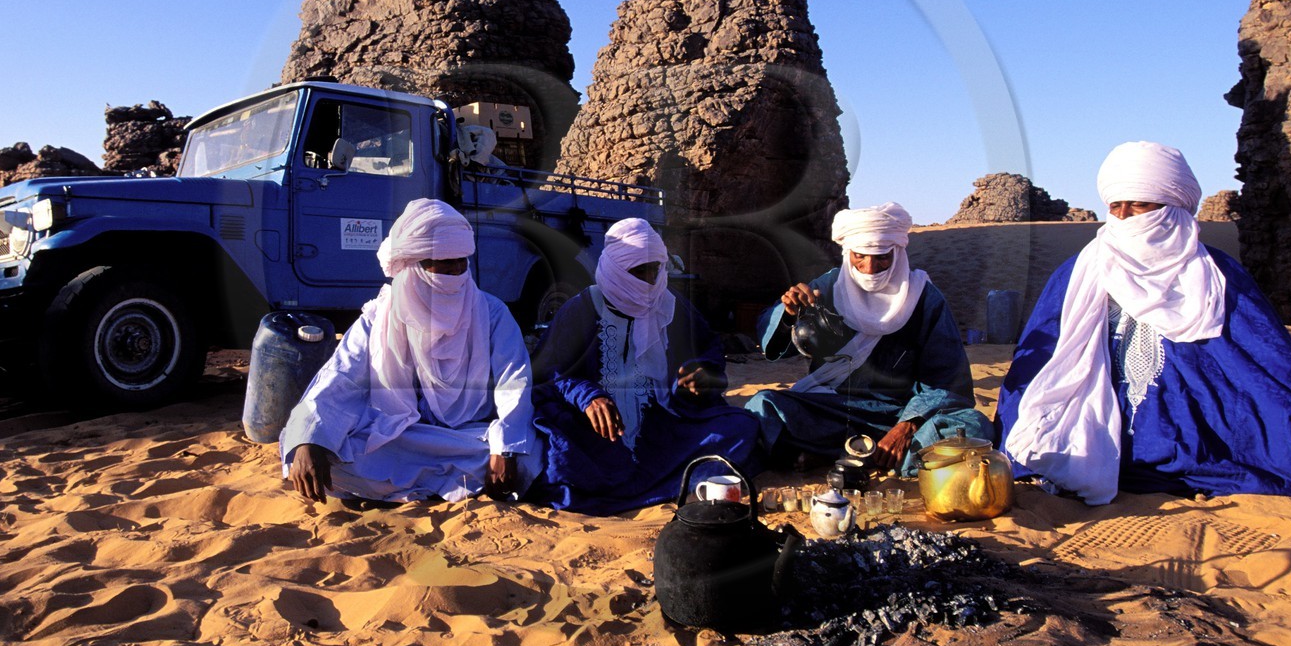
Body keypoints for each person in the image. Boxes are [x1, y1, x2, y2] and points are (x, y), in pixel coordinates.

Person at [998, 141, 1291, 506]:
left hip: (1199, 420)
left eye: (1140, 206)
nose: (1125, 218)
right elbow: (1042, 359)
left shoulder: (1215, 275)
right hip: (1093, 413)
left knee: (1276, 443)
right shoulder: (1080, 271)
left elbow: (1265, 364)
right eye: (1116, 207)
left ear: (1173, 207)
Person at [280, 198, 542, 504]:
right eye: (445, 263)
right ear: (415, 264)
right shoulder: (380, 317)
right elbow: (342, 376)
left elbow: (514, 381)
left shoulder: (491, 312)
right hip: (402, 435)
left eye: (462, 261)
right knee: (318, 456)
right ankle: (447, 483)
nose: (456, 271)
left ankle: (418, 486)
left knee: (527, 457)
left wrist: (504, 448)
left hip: (470, 436)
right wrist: (309, 439)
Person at [528, 218, 762, 514]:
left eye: (656, 269)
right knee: (559, 458)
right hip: (595, 428)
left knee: (741, 428)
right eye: (640, 272)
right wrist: (589, 397)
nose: (651, 281)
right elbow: (551, 371)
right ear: (616, 269)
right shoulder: (581, 308)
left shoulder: (671, 303)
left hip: (662, 421)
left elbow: (708, 345)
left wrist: (704, 369)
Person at [744, 202, 989, 475]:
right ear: (848, 253)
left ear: (897, 252)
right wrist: (789, 313)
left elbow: (947, 379)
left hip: (899, 413)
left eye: (882, 257)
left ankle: (835, 455)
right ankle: (870, 456)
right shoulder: (826, 289)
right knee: (763, 406)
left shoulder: (924, 298)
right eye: (860, 256)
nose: (870, 268)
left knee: (973, 425)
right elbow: (777, 347)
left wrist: (907, 425)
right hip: (832, 408)